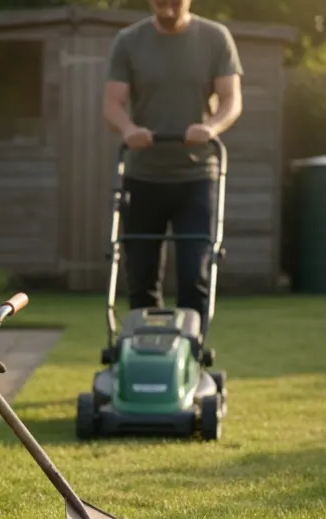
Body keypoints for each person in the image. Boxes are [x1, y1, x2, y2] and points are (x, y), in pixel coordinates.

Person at [103, 0, 243, 338]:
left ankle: (190, 353)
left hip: (196, 177)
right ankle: (143, 351)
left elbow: (231, 100)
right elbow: (113, 102)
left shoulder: (215, 37)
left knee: (194, 273)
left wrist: (211, 127)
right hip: (143, 176)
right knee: (140, 275)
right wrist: (128, 131)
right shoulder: (129, 40)